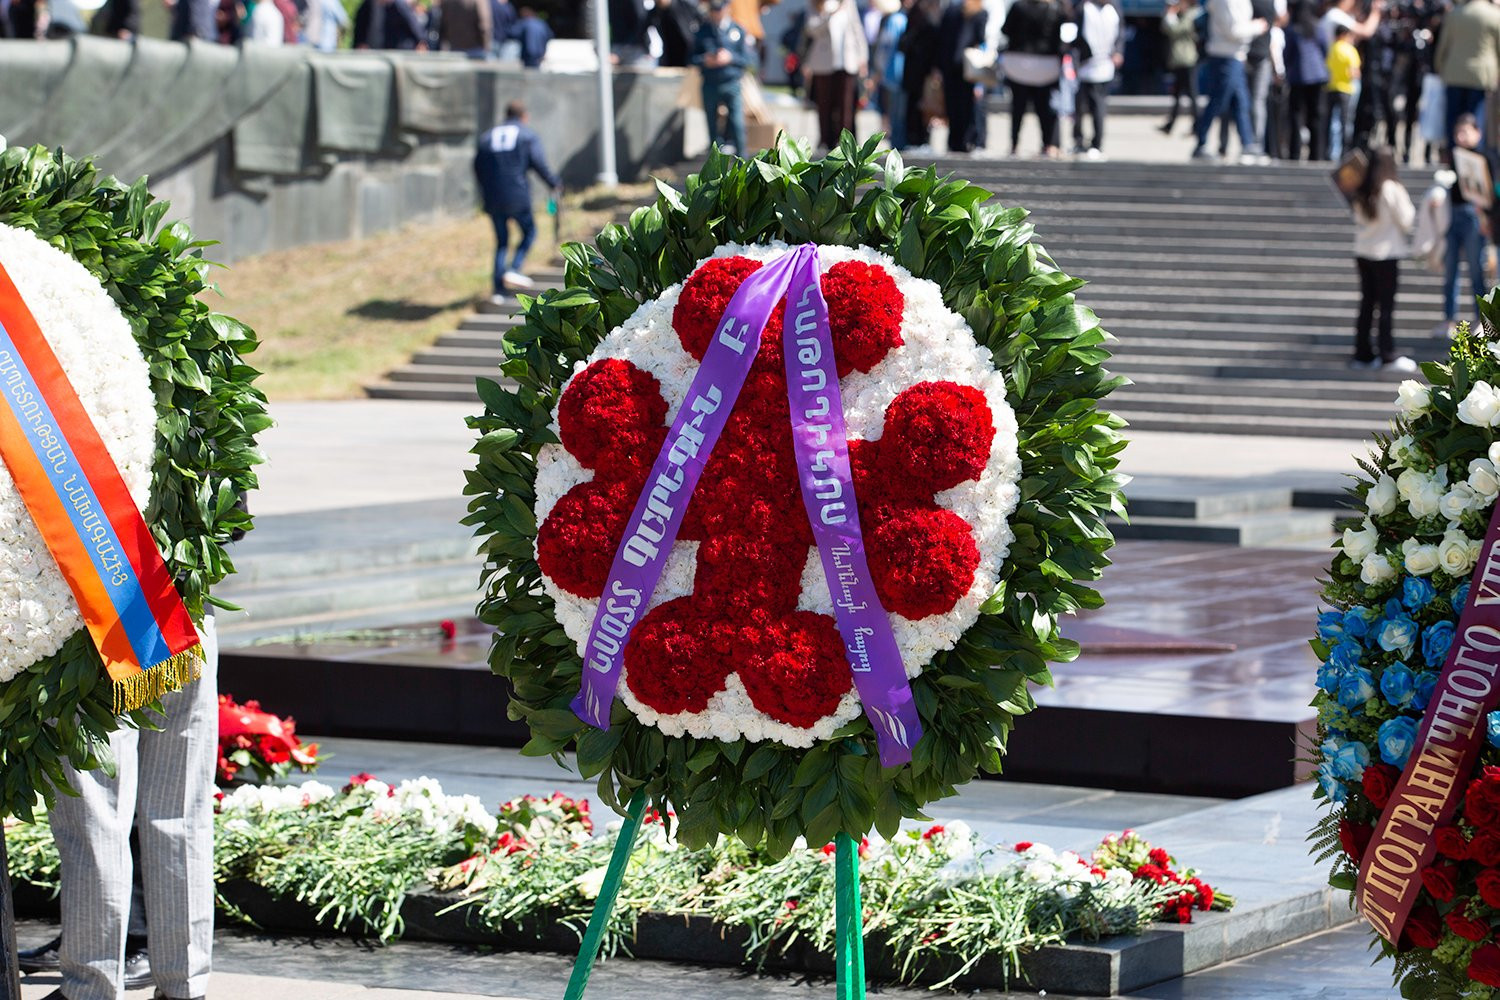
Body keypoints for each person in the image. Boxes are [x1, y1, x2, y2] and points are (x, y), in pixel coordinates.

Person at [38, 617, 219, 1000]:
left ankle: (91, 987)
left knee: (95, 816)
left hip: (96, 619)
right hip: (180, 612)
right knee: (180, 811)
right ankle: (185, 985)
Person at [475, 102, 562, 304]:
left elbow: (477, 166)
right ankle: (514, 268)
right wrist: (554, 183)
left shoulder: (487, 137)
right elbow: (538, 162)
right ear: (524, 116)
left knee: (502, 241)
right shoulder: (526, 135)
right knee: (529, 231)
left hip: (493, 196)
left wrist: (485, 191)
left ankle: (498, 290)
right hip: (517, 194)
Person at [1348, 146, 1417, 371]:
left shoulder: (1363, 187)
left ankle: (1362, 353)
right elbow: (1406, 219)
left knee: (1367, 303)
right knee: (1385, 306)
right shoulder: (1391, 188)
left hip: (1363, 251)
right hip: (1386, 253)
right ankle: (1387, 353)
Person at [1438, 114, 1497, 336]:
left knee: (1476, 270)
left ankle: (1483, 321)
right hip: (1453, 214)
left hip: (1475, 215)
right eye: (1458, 132)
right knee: (1450, 270)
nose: (1461, 137)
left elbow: (1491, 190)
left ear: (1477, 133)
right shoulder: (1453, 156)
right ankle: (1449, 319)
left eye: (1465, 131)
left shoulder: (1485, 157)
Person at [1191, 0, 1269, 162]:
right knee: (1218, 102)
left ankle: (1247, 144)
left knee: (1241, 102)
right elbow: (1233, 30)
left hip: (1235, 56)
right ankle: (1201, 143)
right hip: (1225, 57)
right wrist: (1256, 27)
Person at [804, 0, 869, 151]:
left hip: (847, 61)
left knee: (846, 104)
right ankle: (825, 140)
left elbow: (857, 28)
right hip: (823, 62)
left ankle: (844, 141)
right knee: (824, 103)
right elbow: (811, 28)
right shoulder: (816, 3)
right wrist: (830, 16)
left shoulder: (848, 3)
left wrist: (863, 57)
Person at [1435, 0, 1500, 145]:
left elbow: (1443, 45)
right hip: (1481, 75)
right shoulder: (1495, 15)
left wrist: (1439, 67)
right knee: (1475, 120)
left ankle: (1452, 152)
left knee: (1453, 119)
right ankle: (1472, 152)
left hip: (1454, 72)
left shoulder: (1455, 13)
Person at [693, 0, 753, 153]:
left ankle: (742, 160)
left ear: (727, 8)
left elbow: (748, 59)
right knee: (712, 127)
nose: (717, 13)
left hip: (731, 82)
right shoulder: (702, 31)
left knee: (737, 124)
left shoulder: (738, 30)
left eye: (719, 10)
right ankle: (716, 162)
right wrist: (705, 60)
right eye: (714, 10)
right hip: (710, 82)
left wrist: (730, 58)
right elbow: (691, 58)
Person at [1072, 0, 1122, 157]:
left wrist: (1118, 52)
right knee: (1079, 106)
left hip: (1104, 64)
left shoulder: (1113, 9)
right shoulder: (1083, 8)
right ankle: (1079, 140)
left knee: (1098, 106)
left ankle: (1097, 143)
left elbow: (1120, 34)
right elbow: (1076, 35)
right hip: (1085, 64)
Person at [937, 0, 988, 153]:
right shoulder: (980, 12)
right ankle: (969, 140)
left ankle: (954, 141)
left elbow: (941, 38)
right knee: (969, 105)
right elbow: (980, 39)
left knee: (953, 105)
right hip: (969, 66)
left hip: (949, 64)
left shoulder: (951, 10)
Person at [1282, 0, 1326, 159]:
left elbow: (1287, 54)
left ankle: (1294, 152)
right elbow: (1324, 49)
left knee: (1295, 115)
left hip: (1298, 76)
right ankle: (1316, 154)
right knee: (1315, 116)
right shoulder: (1317, 27)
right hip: (1317, 76)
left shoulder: (1293, 29)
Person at [1159, 0, 1202, 135]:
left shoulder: (1193, 14)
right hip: (1179, 60)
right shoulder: (1183, 15)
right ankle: (1170, 125)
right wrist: (1170, 15)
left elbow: (1175, 30)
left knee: (1192, 94)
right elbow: (1165, 29)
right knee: (1177, 94)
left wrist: (1170, 15)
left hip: (1188, 60)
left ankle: (1198, 125)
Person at [873, 0, 911, 148]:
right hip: (899, 70)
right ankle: (899, 142)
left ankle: (897, 143)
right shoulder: (902, 19)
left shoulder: (894, 20)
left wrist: (878, 69)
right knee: (898, 111)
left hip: (893, 72)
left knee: (896, 112)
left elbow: (884, 47)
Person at [1325, 23, 1360, 159]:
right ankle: (1345, 152)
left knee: (1332, 122)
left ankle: (1331, 151)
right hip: (1346, 88)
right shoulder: (1349, 50)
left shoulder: (1332, 48)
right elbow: (1354, 73)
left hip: (1331, 87)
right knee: (1346, 122)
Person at [353, 0, 426, 48]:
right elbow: (360, 29)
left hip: (400, 50)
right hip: (377, 50)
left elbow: (414, 26)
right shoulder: (368, 5)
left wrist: (421, 42)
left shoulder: (399, 6)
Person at [650, 0, 701, 67]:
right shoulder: (654, 12)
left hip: (687, 51)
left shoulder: (684, 5)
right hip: (669, 55)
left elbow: (701, 20)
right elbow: (643, 30)